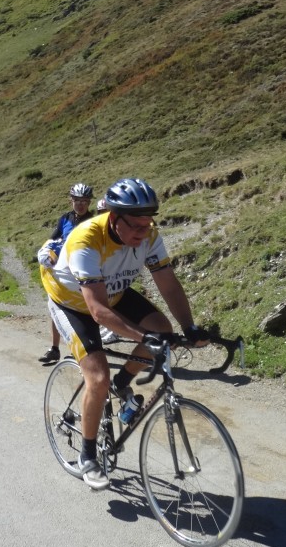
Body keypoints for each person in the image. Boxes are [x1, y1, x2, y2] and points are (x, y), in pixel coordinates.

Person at [40, 177, 210, 490]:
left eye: (149, 224)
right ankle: (88, 455)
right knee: (98, 376)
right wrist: (142, 338)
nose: (143, 233)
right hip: (71, 302)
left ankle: (123, 382)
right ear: (114, 219)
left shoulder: (148, 234)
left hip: (113, 290)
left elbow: (168, 283)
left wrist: (190, 327)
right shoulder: (86, 240)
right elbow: (98, 311)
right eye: (136, 226)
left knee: (162, 328)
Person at [37, 183, 94, 363]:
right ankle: (54, 348)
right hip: (63, 271)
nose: (81, 204)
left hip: (85, 272)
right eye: (77, 200)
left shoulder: (94, 221)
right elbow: (53, 240)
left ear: (89, 202)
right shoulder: (65, 219)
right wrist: (45, 254)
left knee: (85, 312)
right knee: (55, 307)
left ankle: (87, 349)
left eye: (84, 201)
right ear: (71, 200)